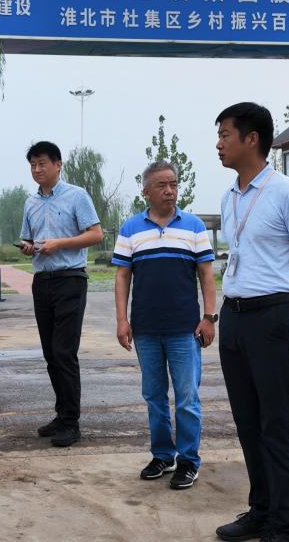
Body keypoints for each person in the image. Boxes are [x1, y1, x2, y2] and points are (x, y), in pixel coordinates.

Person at [211, 103, 289, 542]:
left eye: (225, 135)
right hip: (235, 318)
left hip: (273, 318)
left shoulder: (286, 192)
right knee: (248, 423)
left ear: (251, 138)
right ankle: (260, 511)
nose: (219, 144)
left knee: (277, 424)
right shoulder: (230, 196)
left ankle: (282, 526)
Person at [112, 160, 217, 490]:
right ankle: (162, 455)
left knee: (187, 398)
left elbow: (207, 275)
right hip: (145, 330)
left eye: (173, 184)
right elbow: (122, 276)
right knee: (154, 396)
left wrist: (209, 317)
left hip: (185, 329)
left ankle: (188, 460)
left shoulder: (194, 226)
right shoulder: (131, 229)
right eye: (162, 185)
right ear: (146, 191)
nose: (170, 190)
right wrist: (122, 320)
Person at [19, 141, 103, 448]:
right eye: (33, 165)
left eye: (42, 163)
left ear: (58, 164)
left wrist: (60, 243)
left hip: (70, 280)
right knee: (50, 353)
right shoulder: (30, 202)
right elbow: (28, 239)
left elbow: (96, 234)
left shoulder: (77, 195)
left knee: (64, 351)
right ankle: (61, 413)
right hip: (42, 281)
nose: (37, 169)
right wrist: (29, 247)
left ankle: (71, 423)